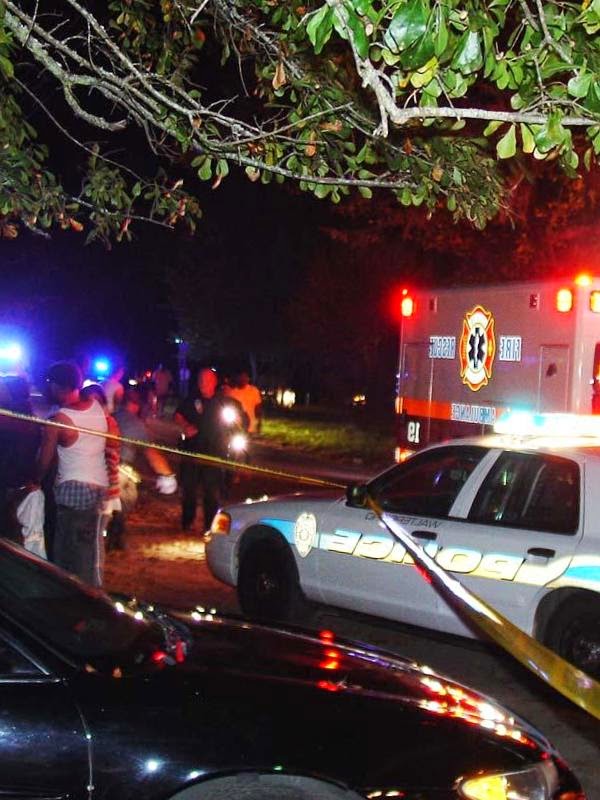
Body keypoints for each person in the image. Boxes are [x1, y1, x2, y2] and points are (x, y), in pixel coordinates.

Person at [35, 362, 108, 586]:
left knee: (69, 554)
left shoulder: (60, 419)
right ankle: (93, 591)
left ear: (57, 386)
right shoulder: (96, 406)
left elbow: (44, 460)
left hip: (74, 489)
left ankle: (79, 597)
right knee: (92, 550)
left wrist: (34, 482)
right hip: (99, 487)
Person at [113, 387, 177, 546]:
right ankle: (115, 535)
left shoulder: (113, 416)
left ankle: (113, 532)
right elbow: (150, 452)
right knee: (126, 497)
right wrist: (167, 475)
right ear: (135, 405)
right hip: (120, 468)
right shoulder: (134, 424)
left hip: (104, 465)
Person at [174, 367, 231, 531]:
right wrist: (185, 426)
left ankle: (210, 526)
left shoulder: (222, 402)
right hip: (192, 452)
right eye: (201, 380)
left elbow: (234, 422)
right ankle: (187, 522)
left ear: (214, 382)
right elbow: (178, 415)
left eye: (207, 380)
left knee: (211, 492)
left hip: (214, 454)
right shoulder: (191, 399)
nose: (203, 384)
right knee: (189, 490)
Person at [0, 376, 42, 547]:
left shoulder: (11, 418)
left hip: (9, 479)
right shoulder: (29, 416)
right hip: (20, 478)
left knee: (8, 529)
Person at [224, 369, 263, 436]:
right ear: (237, 378)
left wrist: (259, 422)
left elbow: (258, 408)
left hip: (250, 427)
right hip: (235, 427)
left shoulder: (253, 391)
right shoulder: (231, 392)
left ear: (248, 378)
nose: (243, 379)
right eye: (241, 377)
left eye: (245, 377)